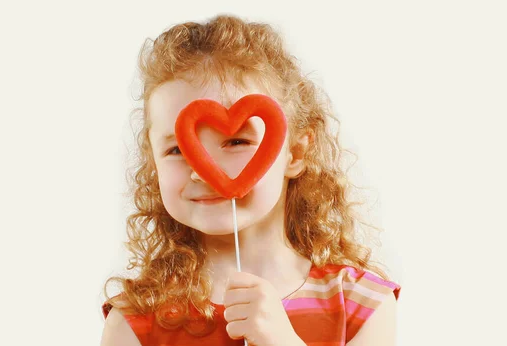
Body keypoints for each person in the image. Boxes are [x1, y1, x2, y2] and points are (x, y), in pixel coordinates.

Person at [100, 14, 400, 346]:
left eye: (236, 142)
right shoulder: (134, 319)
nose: (202, 170)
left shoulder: (361, 304)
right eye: (177, 149)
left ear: (295, 153)